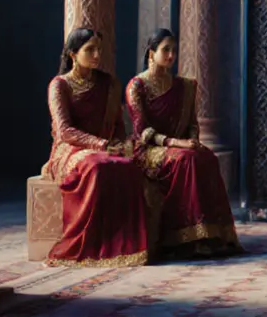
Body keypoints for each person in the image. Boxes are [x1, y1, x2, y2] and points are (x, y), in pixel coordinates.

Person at [126, 29, 242, 260]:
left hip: (181, 146)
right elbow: (142, 132)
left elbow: (192, 123)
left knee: (206, 157)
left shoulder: (185, 86)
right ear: (151, 53)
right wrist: (175, 143)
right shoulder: (137, 86)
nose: (171, 55)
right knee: (186, 160)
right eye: (165, 50)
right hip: (149, 149)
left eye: (174, 50)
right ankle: (184, 239)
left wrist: (194, 140)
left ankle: (211, 236)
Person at [43, 28, 151, 267]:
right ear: (73, 54)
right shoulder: (59, 85)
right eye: (89, 49)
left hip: (103, 147)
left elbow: (117, 124)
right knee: (96, 166)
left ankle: (126, 246)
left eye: (98, 49)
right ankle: (88, 244)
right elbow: (65, 131)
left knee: (130, 166)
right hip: (68, 149)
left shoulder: (109, 84)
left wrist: (122, 146)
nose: (96, 55)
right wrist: (102, 144)